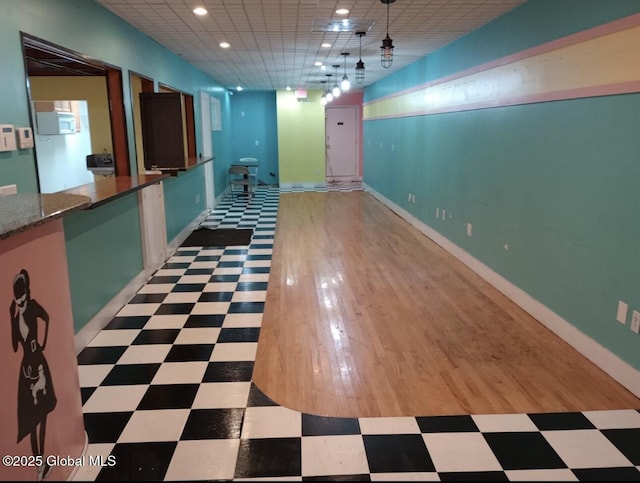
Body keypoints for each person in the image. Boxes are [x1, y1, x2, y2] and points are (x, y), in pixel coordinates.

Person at [10, 269, 57, 481]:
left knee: (43, 415)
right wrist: (11, 318)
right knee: (30, 421)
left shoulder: (34, 306)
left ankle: (42, 465)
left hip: (38, 364)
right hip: (25, 369)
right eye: (17, 297)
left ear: (27, 292)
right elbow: (13, 347)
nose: (20, 300)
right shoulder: (16, 315)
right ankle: (39, 465)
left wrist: (43, 343)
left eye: (22, 295)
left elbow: (46, 318)